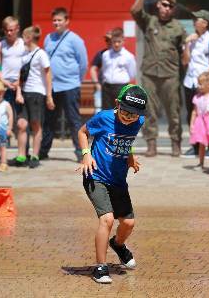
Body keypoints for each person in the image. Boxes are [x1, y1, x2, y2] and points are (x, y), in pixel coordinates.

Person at [77, 84, 147, 284]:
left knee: (128, 223)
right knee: (107, 219)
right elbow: (82, 132)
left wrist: (130, 156)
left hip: (118, 180)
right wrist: (86, 154)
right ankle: (101, 267)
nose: (128, 117)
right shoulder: (104, 118)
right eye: (125, 111)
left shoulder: (138, 121)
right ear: (117, 104)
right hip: (95, 175)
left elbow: (126, 140)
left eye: (134, 114)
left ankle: (118, 244)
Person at [131, 0, 188, 157]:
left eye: (170, 6)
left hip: (171, 75)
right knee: (149, 110)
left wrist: (188, 52)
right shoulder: (149, 21)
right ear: (158, 5)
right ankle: (151, 144)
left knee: (174, 111)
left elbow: (185, 54)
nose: (167, 8)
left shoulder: (178, 27)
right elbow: (134, 11)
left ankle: (175, 143)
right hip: (150, 74)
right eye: (164, 5)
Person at [40, 7, 88, 162]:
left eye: (59, 20)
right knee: (49, 120)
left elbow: (83, 63)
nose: (56, 23)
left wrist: (76, 80)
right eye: (54, 20)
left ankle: (81, 153)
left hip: (70, 86)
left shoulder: (75, 40)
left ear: (67, 21)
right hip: (52, 86)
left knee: (74, 121)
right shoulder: (48, 38)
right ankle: (43, 151)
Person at [14, 25, 54, 168]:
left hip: (37, 93)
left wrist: (49, 96)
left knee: (36, 124)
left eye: (24, 36)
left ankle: (35, 155)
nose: (21, 38)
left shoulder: (41, 54)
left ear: (29, 37)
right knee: (21, 124)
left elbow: (49, 74)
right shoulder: (24, 55)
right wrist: (18, 92)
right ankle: (21, 156)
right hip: (24, 93)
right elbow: (20, 76)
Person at [182, 9, 209, 158]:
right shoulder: (191, 39)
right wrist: (187, 43)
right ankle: (196, 146)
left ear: (205, 23)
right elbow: (185, 61)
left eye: (197, 19)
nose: (194, 21)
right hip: (189, 82)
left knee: (207, 115)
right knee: (191, 115)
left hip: (204, 84)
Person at [0, 16, 28, 120]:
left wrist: (19, 82)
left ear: (17, 29)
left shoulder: (24, 44)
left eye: (11, 30)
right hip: (5, 84)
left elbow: (27, 66)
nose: (8, 33)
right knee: (4, 117)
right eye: (6, 30)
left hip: (21, 84)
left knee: (21, 119)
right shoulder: (0, 45)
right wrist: (3, 80)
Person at [100, 27, 137, 110]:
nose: (116, 44)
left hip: (121, 87)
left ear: (123, 41)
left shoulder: (128, 56)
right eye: (114, 42)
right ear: (111, 41)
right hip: (107, 88)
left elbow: (132, 74)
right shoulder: (106, 55)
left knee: (121, 111)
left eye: (119, 41)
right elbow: (104, 70)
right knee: (107, 112)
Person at [189, 72, 209, 172]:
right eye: (198, 83)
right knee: (202, 143)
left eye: (200, 84)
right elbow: (194, 111)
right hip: (200, 122)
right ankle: (201, 163)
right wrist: (192, 124)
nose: (198, 86)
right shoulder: (197, 97)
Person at [89, 30, 112, 113]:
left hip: (116, 89)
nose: (108, 42)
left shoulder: (123, 54)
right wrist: (96, 83)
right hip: (101, 88)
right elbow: (93, 69)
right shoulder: (101, 54)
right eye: (107, 40)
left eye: (110, 40)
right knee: (99, 111)